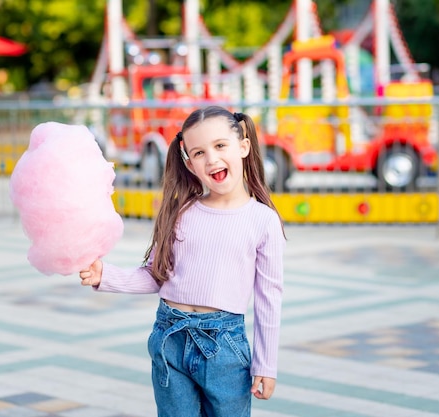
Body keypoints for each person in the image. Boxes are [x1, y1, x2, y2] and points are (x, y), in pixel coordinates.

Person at [80, 105, 286, 417]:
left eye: (220, 146)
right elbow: (155, 275)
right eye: (199, 152)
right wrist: (103, 275)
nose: (212, 159)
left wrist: (266, 365)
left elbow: (269, 297)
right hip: (169, 337)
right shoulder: (182, 212)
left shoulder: (262, 220)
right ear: (189, 163)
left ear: (243, 146)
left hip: (224, 347)